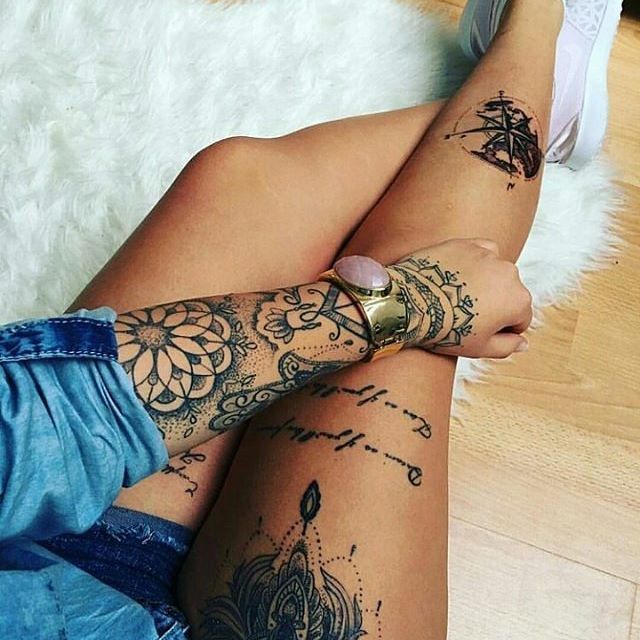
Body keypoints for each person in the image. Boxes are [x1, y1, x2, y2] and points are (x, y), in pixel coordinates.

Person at [0, 0, 621, 638]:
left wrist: (371, 309)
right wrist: (405, 304)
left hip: (41, 547)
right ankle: (539, 39)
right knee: (418, 260)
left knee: (239, 179)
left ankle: (539, 93)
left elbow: (34, 422)